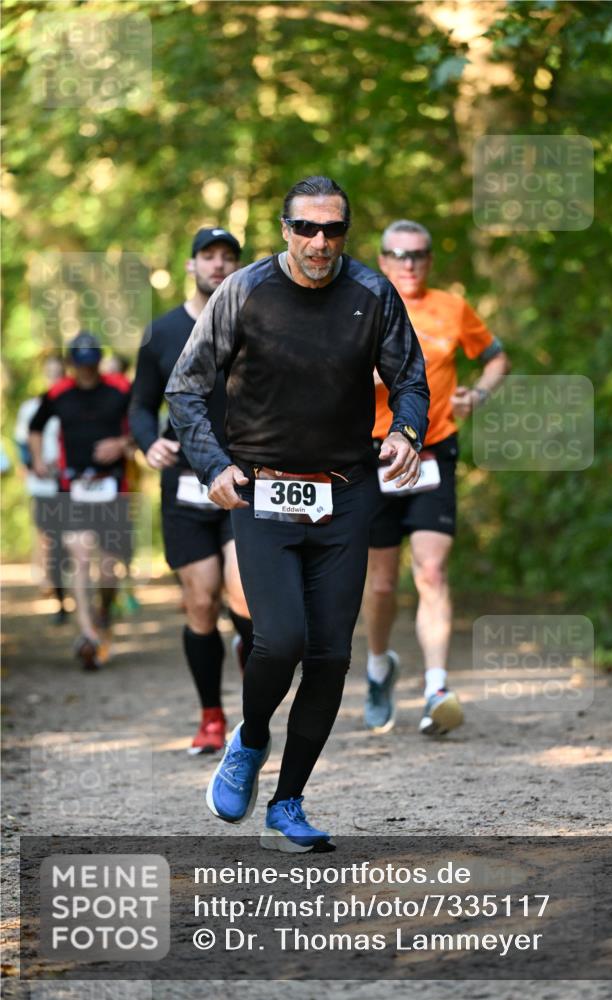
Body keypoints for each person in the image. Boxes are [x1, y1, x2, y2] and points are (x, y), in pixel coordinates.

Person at [165, 176, 429, 853]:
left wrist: (404, 429)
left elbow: (410, 378)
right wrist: (212, 464)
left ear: (346, 233)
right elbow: (187, 387)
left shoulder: (371, 295)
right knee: (277, 640)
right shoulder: (244, 291)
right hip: (261, 492)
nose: (319, 242)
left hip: (345, 494)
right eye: (305, 229)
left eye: (332, 230)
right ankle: (250, 740)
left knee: (330, 654)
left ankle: (287, 804)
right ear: (284, 230)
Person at [363, 220, 510, 736]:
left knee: (430, 573)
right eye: (398, 254)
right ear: (381, 259)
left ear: (429, 260)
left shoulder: (451, 307)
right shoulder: (360, 304)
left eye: (418, 255)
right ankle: (379, 666)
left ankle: (436, 688)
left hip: (432, 452)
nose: (408, 263)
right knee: (381, 583)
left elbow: (495, 357)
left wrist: (479, 394)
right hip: (374, 456)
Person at [130, 227, 254, 755]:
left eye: (229, 257)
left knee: (244, 596)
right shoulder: (160, 332)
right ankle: (210, 716)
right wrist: (145, 444)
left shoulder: (254, 325)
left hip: (242, 478)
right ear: (191, 265)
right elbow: (139, 405)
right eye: (209, 256)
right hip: (183, 483)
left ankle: (256, 716)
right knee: (199, 602)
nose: (219, 265)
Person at [29, 332, 133, 669]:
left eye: (91, 365)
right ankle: (87, 634)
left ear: (97, 363)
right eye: (80, 365)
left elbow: (141, 426)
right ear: (72, 364)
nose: (86, 372)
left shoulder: (119, 389)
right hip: (71, 485)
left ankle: (104, 612)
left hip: (112, 486)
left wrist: (121, 444)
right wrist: (38, 460)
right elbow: (35, 425)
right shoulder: (59, 393)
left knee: (107, 566)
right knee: (81, 552)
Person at [14, 355, 69, 623]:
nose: (54, 377)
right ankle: (58, 594)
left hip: (74, 483)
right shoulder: (31, 408)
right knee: (52, 538)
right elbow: (22, 442)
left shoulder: (73, 403)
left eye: (58, 373)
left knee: (77, 542)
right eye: (50, 373)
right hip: (44, 485)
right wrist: (35, 463)